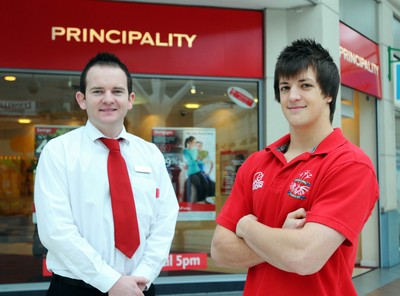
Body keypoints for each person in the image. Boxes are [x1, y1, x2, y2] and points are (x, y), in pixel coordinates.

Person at [211, 39, 379, 295]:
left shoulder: (350, 165)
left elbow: (304, 256)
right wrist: (280, 237)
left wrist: (246, 227)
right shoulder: (257, 163)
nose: (293, 96)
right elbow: (220, 250)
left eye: (305, 85)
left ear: (328, 93)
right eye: (285, 87)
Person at [34, 52, 179, 296]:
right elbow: (56, 230)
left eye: (117, 91)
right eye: (98, 91)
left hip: (139, 288)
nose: (108, 99)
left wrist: (144, 274)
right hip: (76, 289)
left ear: (131, 99)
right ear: (81, 99)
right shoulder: (58, 152)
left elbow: (165, 219)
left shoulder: (150, 154)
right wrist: (110, 281)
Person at [182, 136, 208, 202]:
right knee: (198, 185)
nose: (195, 143)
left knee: (205, 183)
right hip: (191, 172)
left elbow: (198, 161)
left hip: (197, 170)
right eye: (194, 142)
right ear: (189, 142)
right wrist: (196, 160)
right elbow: (189, 162)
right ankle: (199, 202)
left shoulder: (195, 150)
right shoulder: (185, 151)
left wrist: (202, 161)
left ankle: (203, 200)